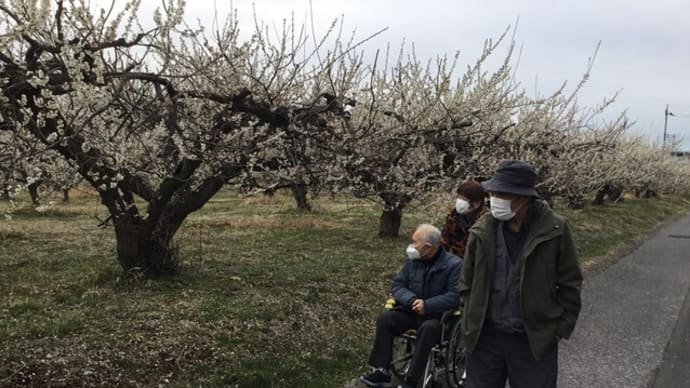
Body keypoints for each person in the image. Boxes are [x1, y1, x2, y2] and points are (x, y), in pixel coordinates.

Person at [459, 159, 583, 388]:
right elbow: (466, 282)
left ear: (524, 198)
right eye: (493, 193)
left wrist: (558, 329)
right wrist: (470, 318)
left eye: (502, 194)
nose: (494, 199)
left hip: (532, 340)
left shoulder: (554, 230)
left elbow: (571, 282)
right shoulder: (481, 230)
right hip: (485, 338)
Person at [360, 224, 462, 388]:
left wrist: (427, 305)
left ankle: (412, 379)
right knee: (385, 319)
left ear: (428, 247)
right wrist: (412, 300)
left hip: (436, 318)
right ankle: (382, 371)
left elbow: (454, 296)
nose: (412, 246)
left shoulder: (454, 265)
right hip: (411, 312)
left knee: (428, 329)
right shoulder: (412, 262)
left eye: (415, 242)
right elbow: (397, 286)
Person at [440, 180, 488, 257]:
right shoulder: (453, 216)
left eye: (465, 199)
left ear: (477, 203)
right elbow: (444, 241)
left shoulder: (485, 221)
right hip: (455, 262)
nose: (460, 201)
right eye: (459, 197)